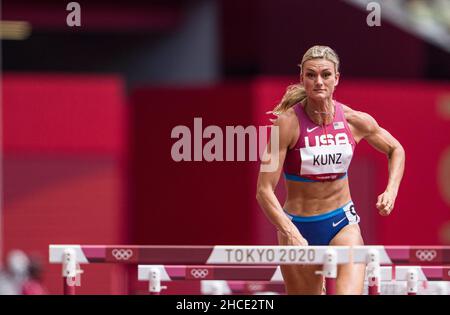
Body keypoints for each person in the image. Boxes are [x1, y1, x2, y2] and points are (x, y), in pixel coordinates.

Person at [256, 45, 405, 295]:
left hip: (341, 222)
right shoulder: (287, 125)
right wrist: (289, 231)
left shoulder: (353, 120)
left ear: (336, 79)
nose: (318, 81)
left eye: (326, 75)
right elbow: (263, 190)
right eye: (311, 75)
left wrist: (391, 191)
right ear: (302, 78)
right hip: (297, 225)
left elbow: (395, 149)